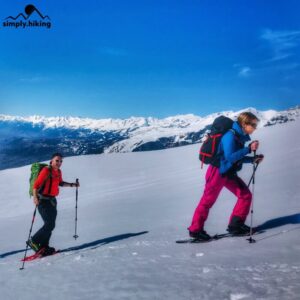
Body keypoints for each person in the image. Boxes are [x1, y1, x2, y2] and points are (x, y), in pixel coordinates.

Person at [188, 112, 264, 241]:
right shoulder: (230, 136)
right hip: (217, 172)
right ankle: (195, 230)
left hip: (227, 172)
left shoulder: (239, 136)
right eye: (253, 125)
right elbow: (230, 157)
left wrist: (252, 159)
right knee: (207, 201)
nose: (255, 128)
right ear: (245, 124)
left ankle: (236, 225)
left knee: (245, 195)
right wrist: (249, 149)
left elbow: (234, 158)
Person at [27, 153, 79, 254]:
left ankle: (44, 246)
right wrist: (35, 198)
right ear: (51, 161)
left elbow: (60, 183)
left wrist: (73, 185)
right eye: (57, 160)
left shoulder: (58, 172)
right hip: (43, 201)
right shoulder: (46, 170)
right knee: (49, 224)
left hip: (52, 201)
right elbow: (36, 185)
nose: (59, 163)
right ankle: (33, 241)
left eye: (60, 161)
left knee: (51, 225)